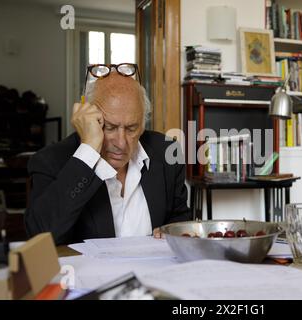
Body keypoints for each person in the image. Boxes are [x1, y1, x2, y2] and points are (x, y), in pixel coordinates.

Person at [25, 64, 190, 245]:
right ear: (87, 120)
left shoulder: (166, 151)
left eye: (131, 128)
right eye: (109, 127)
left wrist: (172, 231)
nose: (120, 143)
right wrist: (88, 149)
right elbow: (40, 237)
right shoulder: (51, 160)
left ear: (143, 123)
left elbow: (180, 218)